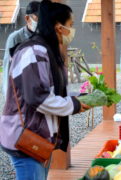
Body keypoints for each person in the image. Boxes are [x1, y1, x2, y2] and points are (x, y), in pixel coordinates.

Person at [0, 0, 90, 179]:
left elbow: (51, 91)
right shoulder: (34, 52)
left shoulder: (46, 50)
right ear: (58, 27)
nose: (71, 31)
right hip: (25, 138)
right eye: (70, 25)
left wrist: (79, 97)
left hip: (39, 137)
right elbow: (38, 98)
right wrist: (74, 105)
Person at [2, 1, 40, 97]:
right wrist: (9, 97)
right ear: (27, 18)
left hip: (39, 93)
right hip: (20, 92)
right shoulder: (15, 38)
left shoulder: (44, 38)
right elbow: (8, 69)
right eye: (38, 18)